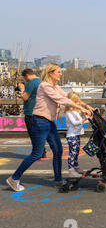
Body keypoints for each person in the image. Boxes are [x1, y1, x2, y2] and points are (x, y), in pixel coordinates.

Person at [6, 63, 93, 192]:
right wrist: (81, 108)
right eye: (58, 72)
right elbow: (61, 100)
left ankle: (58, 180)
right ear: (50, 73)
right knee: (37, 153)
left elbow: (69, 97)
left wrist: (87, 106)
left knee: (57, 150)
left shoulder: (55, 86)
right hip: (40, 122)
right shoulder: (44, 86)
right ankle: (14, 178)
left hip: (50, 123)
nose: (60, 74)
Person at [17, 69, 47, 158]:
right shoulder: (42, 81)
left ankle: (37, 153)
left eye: (24, 78)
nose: (25, 80)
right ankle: (42, 151)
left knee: (33, 134)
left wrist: (22, 89)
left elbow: (25, 97)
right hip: (41, 111)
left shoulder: (31, 83)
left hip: (30, 112)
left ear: (27, 75)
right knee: (39, 134)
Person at [65, 92, 92, 178]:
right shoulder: (69, 113)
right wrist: (84, 119)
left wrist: (89, 119)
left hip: (77, 134)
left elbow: (81, 122)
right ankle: (71, 170)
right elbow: (75, 123)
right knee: (72, 153)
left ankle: (76, 167)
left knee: (76, 152)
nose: (78, 104)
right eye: (76, 102)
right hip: (71, 135)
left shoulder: (76, 112)